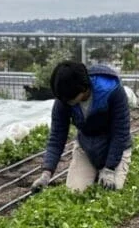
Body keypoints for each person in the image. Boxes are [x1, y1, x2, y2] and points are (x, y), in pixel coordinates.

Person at [31, 61, 132, 193]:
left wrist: (110, 168)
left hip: (113, 146)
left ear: (84, 88)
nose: (67, 102)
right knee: (75, 192)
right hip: (86, 148)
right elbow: (57, 136)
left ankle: (109, 169)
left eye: (70, 99)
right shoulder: (64, 98)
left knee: (111, 193)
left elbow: (120, 133)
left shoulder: (111, 90)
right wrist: (46, 173)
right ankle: (94, 172)